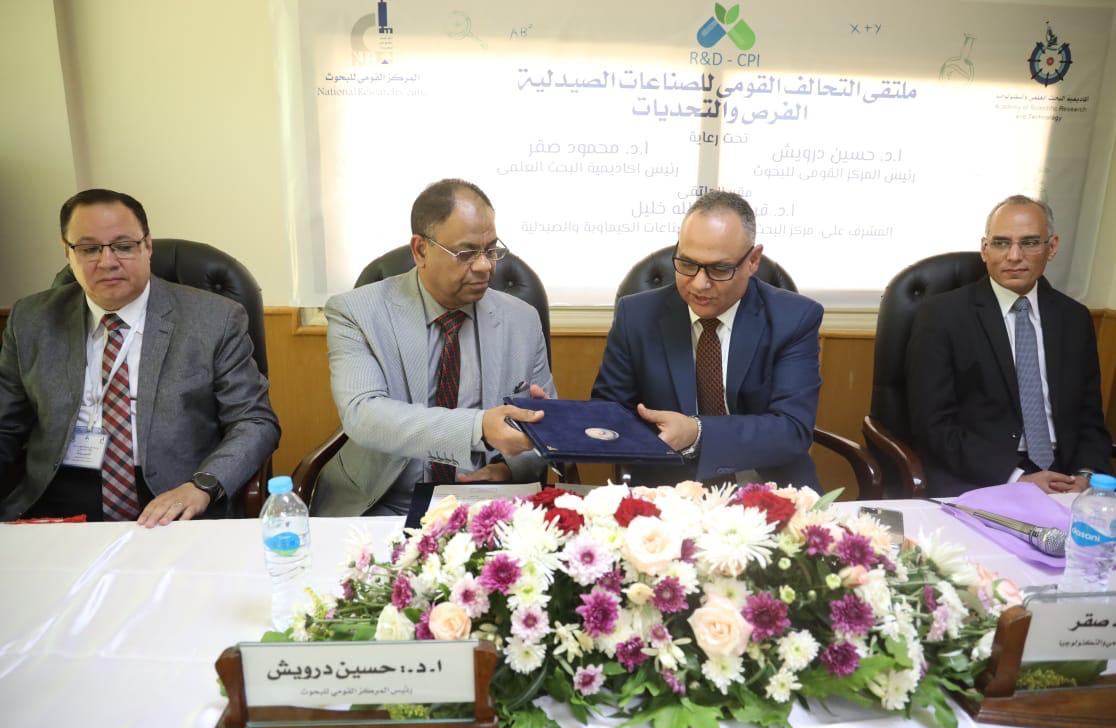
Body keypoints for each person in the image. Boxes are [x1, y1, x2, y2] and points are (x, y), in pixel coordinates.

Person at [0, 188, 280, 525]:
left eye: (123, 246)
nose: (107, 262)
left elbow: (254, 421)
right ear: (68, 253)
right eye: (89, 249)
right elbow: (5, 425)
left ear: (147, 246)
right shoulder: (31, 320)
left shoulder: (214, 319)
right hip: (55, 497)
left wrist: (202, 486)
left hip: (176, 494)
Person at [312, 178, 555, 516]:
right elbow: (364, 415)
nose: (485, 266)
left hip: (485, 501)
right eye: (466, 253)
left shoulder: (521, 320)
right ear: (420, 250)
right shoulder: (356, 312)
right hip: (385, 502)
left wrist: (509, 469)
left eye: (491, 250)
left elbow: (546, 428)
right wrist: (478, 428)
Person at [592, 190, 823, 489]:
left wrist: (697, 432)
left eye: (719, 269)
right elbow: (608, 414)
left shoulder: (794, 318)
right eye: (688, 264)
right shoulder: (636, 316)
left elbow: (791, 429)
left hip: (771, 488)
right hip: (669, 489)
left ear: (753, 260)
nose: (700, 284)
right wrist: (552, 420)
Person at [907, 195, 1112, 499]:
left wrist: (1085, 476)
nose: (1014, 256)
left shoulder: (1074, 318)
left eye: (1029, 243)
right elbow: (933, 426)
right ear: (984, 249)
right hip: (983, 476)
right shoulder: (941, 316)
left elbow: (1089, 418)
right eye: (1001, 243)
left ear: (1052, 247)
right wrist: (1016, 478)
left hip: (1066, 477)